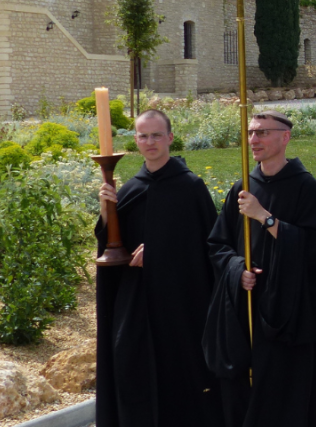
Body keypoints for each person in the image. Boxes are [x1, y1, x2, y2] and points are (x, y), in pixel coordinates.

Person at [95, 109, 224, 427]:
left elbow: (211, 246)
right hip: (138, 304)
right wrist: (105, 210)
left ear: (170, 138)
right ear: (136, 141)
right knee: (132, 369)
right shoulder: (130, 190)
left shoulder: (190, 187)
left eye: (156, 135)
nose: (149, 141)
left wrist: (162, 251)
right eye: (143, 136)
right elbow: (112, 247)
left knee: (180, 381)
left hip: (180, 307)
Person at [204, 111, 316, 427]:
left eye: (262, 133)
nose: (253, 140)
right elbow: (218, 244)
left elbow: (315, 248)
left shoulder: (305, 187)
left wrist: (266, 218)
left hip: (290, 315)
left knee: (286, 400)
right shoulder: (242, 188)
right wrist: (237, 271)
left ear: (285, 137)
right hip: (248, 309)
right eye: (250, 133)